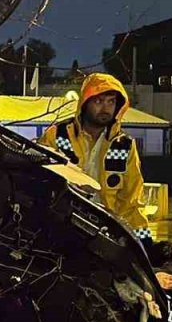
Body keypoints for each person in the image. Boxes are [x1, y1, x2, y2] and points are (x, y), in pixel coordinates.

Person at [40, 73, 151, 243]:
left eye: (111, 101)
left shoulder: (125, 145)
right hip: (61, 229)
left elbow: (132, 202)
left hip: (104, 235)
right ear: (85, 103)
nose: (105, 108)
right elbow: (41, 182)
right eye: (98, 101)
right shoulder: (57, 135)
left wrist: (145, 244)